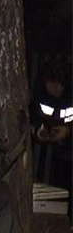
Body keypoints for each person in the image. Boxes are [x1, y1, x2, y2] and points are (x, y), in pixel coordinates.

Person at [31, 60, 72, 217]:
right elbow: (35, 116)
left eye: (57, 86)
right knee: (60, 188)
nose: (55, 90)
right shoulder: (41, 95)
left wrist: (67, 131)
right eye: (51, 85)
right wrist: (40, 131)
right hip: (59, 153)